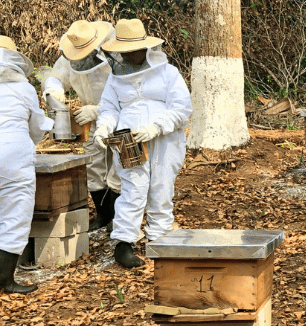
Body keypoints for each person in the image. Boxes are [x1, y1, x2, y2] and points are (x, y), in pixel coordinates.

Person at [93, 19, 193, 269]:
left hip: (165, 140)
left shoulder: (168, 73)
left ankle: (158, 241)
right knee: (132, 189)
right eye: (123, 53)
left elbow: (182, 108)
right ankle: (123, 245)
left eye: (131, 51)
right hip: (127, 138)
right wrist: (103, 127)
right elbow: (108, 108)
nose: (127, 57)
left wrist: (155, 127)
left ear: (146, 49)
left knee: (161, 187)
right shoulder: (115, 78)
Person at [41, 20, 121, 231]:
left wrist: (98, 110)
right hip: (89, 120)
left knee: (120, 168)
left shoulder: (115, 57)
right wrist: (53, 89)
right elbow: (56, 75)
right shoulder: (70, 59)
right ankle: (104, 216)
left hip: (121, 118)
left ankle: (121, 220)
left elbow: (128, 93)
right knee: (94, 167)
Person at [0, 37, 52, 294]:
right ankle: (6, 281)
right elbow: (36, 126)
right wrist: (29, 143)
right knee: (14, 214)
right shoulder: (23, 89)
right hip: (13, 154)